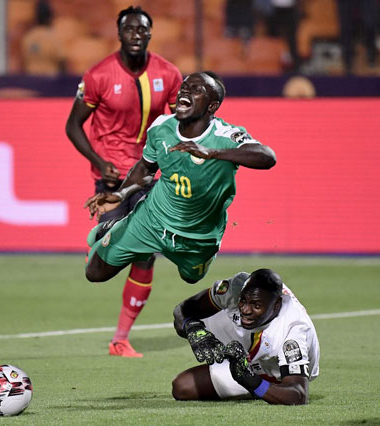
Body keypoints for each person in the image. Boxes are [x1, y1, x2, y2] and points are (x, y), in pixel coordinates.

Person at [84, 71, 276, 287]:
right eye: (184, 87)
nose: (185, 91)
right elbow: (145, 168)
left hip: (199, 236)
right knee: (95, 273)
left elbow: (267, 157)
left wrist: (213, 153)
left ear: (212, 106)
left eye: (196, 90)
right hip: (152, 220)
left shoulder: (225, 136)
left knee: (191, 278)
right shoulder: (161, 127)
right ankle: (123, 229)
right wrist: (120, 195)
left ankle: (149, 249)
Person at [66, 6, 183, 358]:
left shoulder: (168, 74)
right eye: (129, 29)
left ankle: (121, 338)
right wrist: (98, 161)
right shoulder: (99, 75)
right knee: (101, 265)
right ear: (119, 34)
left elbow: (180, 122)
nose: (136, 34)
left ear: (150, 34)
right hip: (111, 182)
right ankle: (101, 244)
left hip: (147, 177)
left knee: (146, 254)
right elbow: (73, 125)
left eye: (142, 29)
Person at [170, 268, 320, 405]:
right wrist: (193, 330)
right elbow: (181, 310)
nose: (246, 310)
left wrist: (251, 381)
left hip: (275, 372)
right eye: (243, 301)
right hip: (250, 341)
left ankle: (263, 388)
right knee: (181, 387)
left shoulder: (293, 329)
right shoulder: (236, 287)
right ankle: (238, 360)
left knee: (184, 386)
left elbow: (298, 395)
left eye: (256, 305)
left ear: (276, 304)